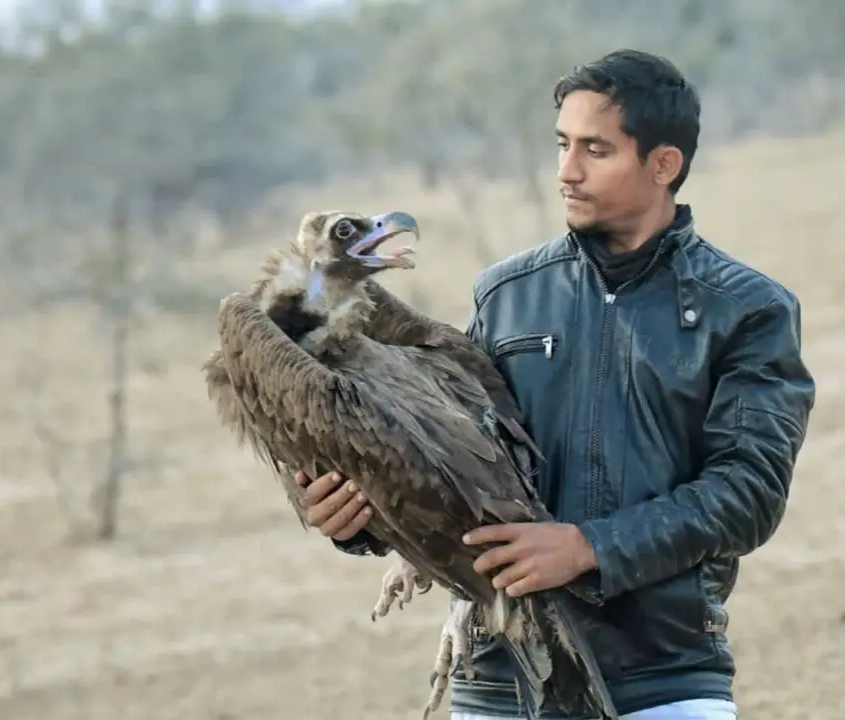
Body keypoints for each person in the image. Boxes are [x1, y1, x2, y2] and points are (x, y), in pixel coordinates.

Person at [295, 49, 815, 720]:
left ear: (664, 164)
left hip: (662, 678)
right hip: (499, 680)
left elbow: (748, 494)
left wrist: (588, 548)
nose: (567, 170)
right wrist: (357, 522)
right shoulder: (506, 295)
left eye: (595, 149)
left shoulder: (745, 310)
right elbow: (452, 470)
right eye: (563, 144)